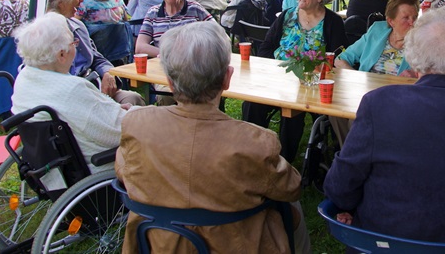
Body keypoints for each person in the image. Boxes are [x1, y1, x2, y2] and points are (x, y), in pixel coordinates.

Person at [324, 7, 445, 243]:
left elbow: (340, 186)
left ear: (415, 57)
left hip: (390, 241)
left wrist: (347, 205)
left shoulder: (380, 103)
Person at [116, 21, 311, 254]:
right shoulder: (255, 141)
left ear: (169, 82)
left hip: (158, 243)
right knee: (291, 208)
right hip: (236, 244)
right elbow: (291, 188)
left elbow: (123, 171)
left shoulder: (137, 125)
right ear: (228, 78)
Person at [243, 0, 348, 163]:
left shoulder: (332, 22)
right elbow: (266, 47)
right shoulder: (287, 15)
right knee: (251, 104)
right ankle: (252, 154)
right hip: (279, 78)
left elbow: (337, 59)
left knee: (292, 113)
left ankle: (284, 163)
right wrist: (274, 71)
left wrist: (314, 71)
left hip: (311, 84)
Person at [12, 12, 133, 172]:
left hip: (52, 170)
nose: (75, 47)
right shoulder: (71, 89)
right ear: (61, 54)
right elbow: (119, 130)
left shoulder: (25, 78)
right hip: (98, 169)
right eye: (73, 43)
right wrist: (139, 113)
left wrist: (112, 109)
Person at [49, 0, 145, 107]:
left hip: (94, 87)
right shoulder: (45, 36)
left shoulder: (78, 25)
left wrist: (107, 73)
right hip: (70, 98)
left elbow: (97, 57)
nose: (81, 0)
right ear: (61, 3)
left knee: (133, 99)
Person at [336, 0, 418, 75]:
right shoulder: (377, 30)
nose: (412, 22)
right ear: (391, 21)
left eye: (415, 17)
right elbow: (340, 59)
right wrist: (357, 78)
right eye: (406, 18)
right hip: (367, 86)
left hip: (401, 87)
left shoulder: (422, 43)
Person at [135, 0, 214, 58]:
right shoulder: (153, 13)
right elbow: (140, 47)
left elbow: (218, 33)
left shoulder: (195, 9)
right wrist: (169, 55)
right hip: (163, 64)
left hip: (191, 63)